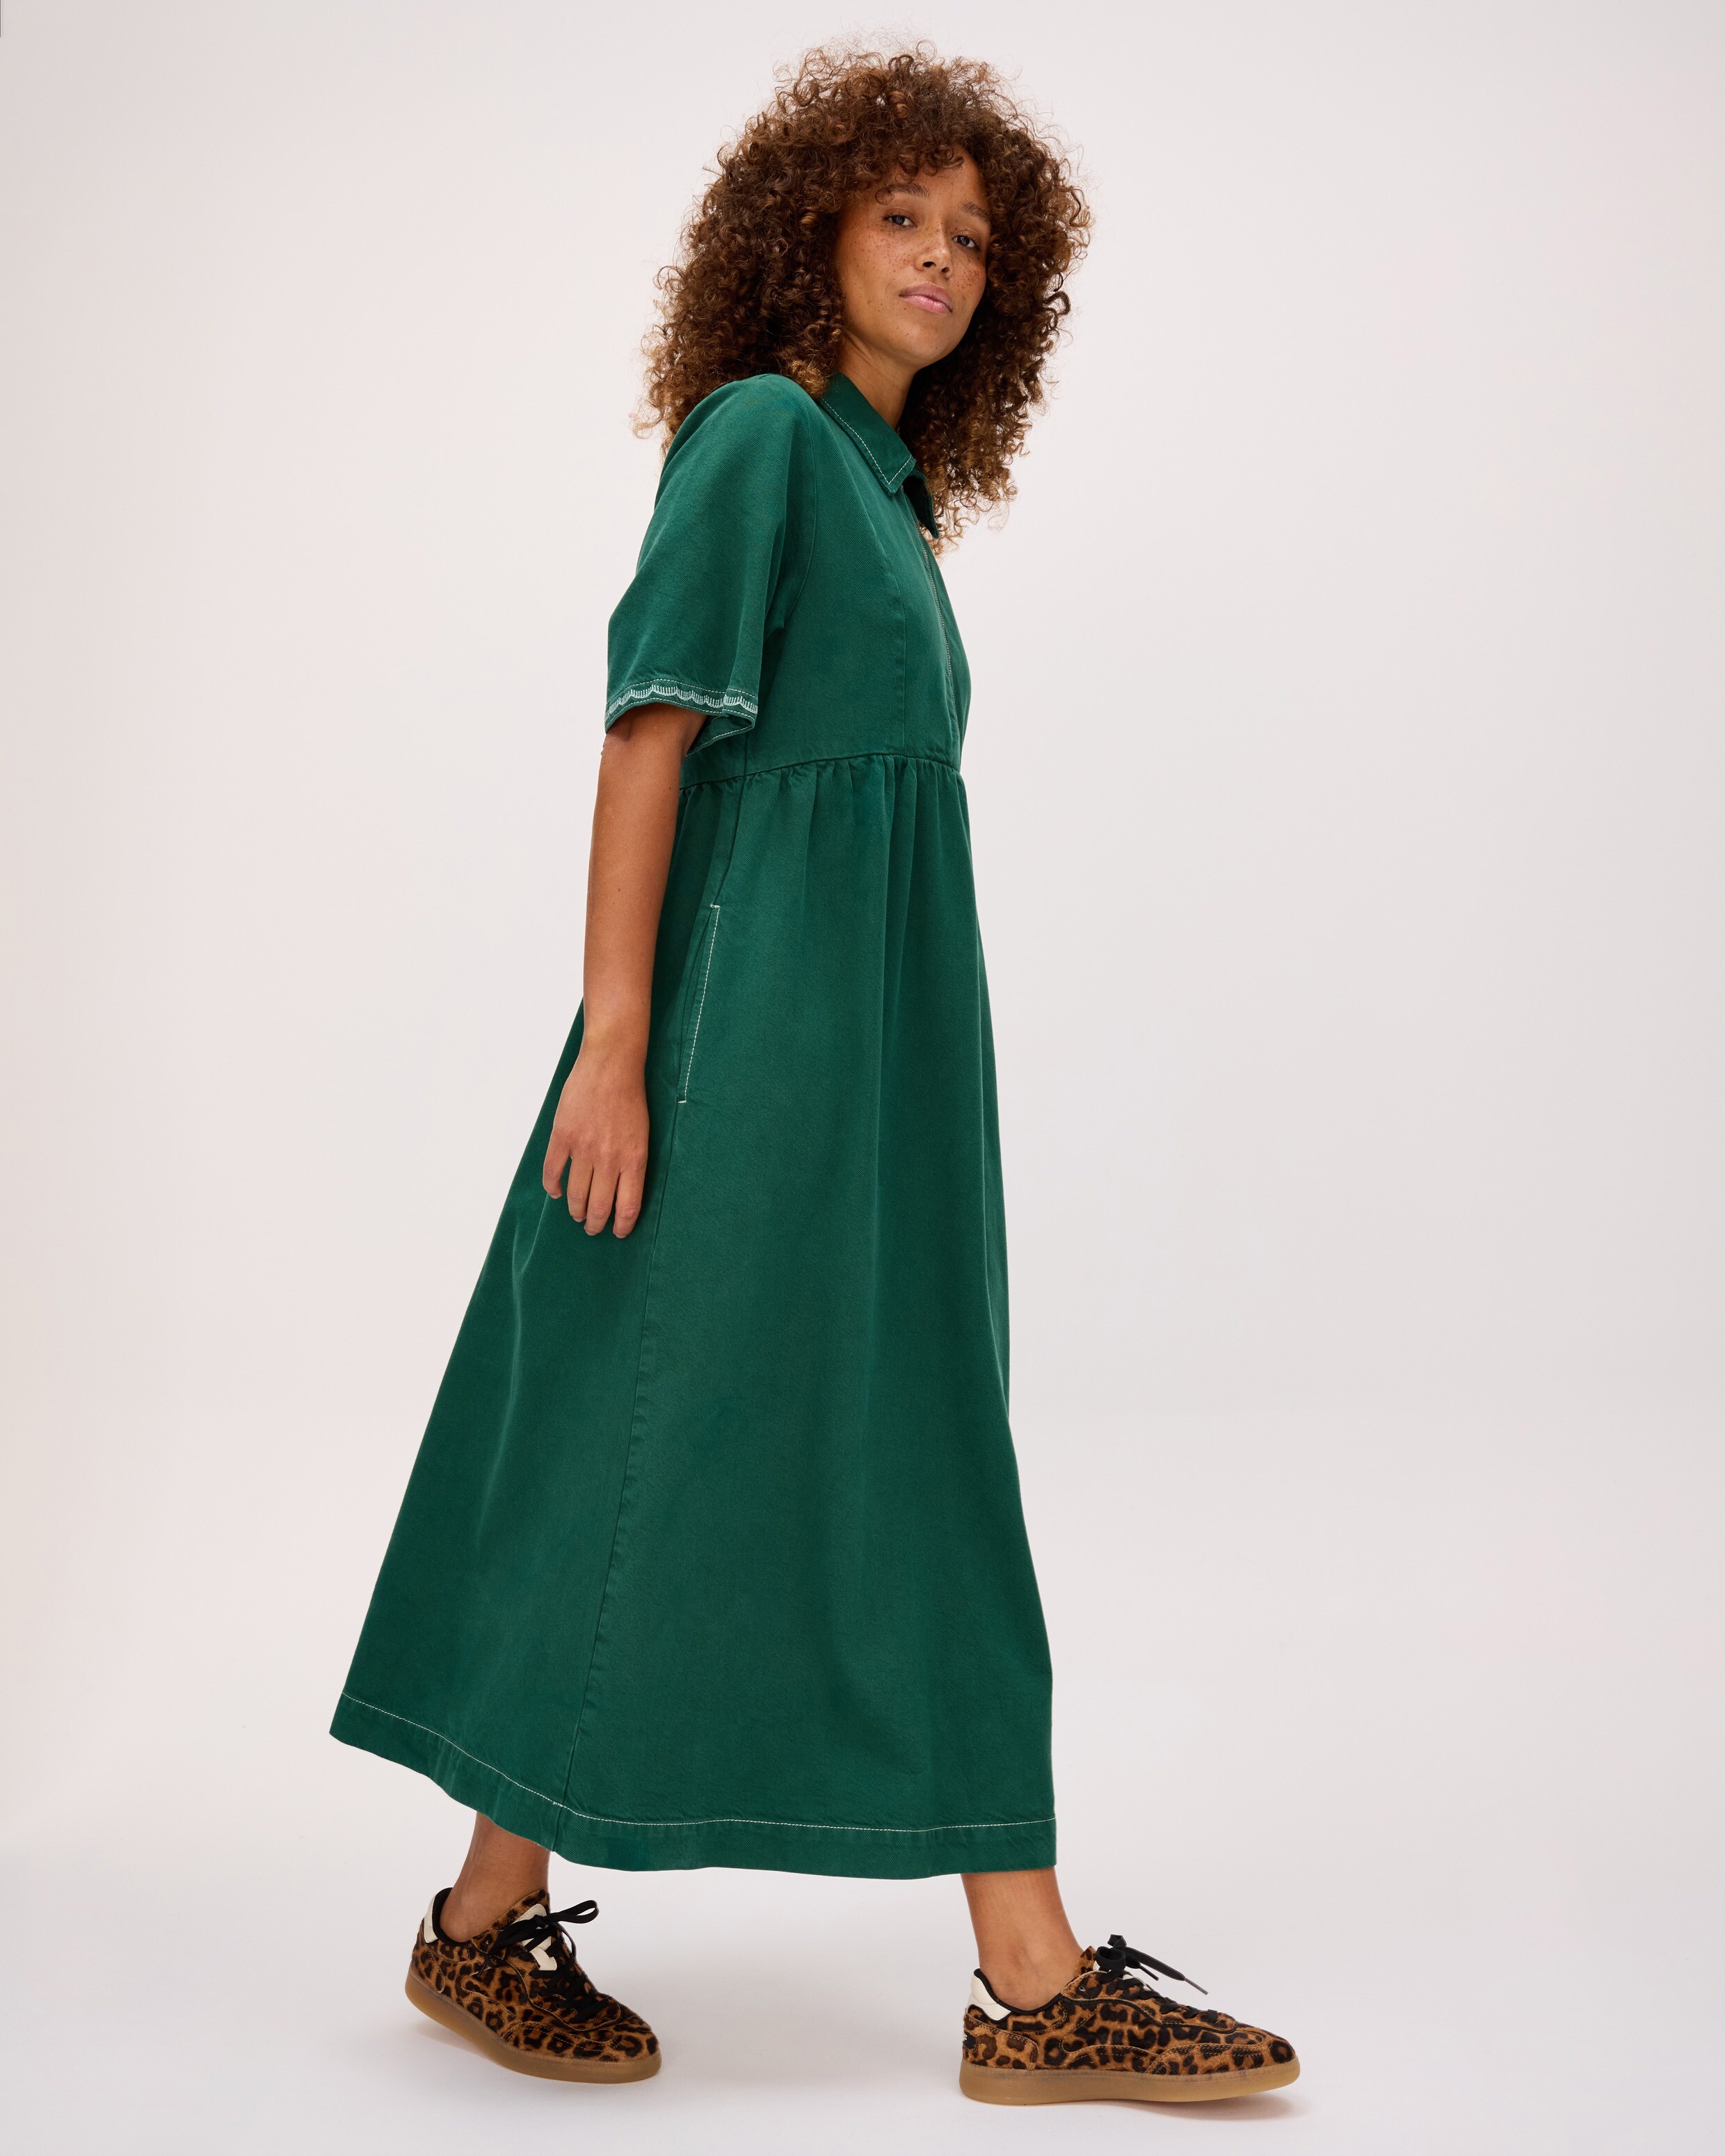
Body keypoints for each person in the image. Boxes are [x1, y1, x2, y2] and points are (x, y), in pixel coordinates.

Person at [332, 43, 1299, 2107]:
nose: (943, 257)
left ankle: (507, 1921)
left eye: (975, 237)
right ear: (812, 234)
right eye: (902, 218)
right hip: (743, 1032)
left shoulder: (886, 487)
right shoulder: (762, 434)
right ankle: (1005, 1973)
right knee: (667, 1421)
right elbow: (650, 730)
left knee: (840, 1427)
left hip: (883, 1047)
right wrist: (616, 1044)